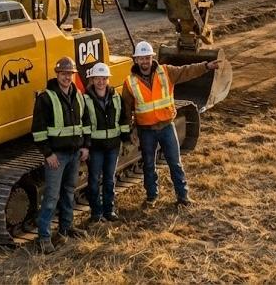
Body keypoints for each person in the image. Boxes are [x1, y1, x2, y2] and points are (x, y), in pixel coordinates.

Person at [121, 41, 220, 208]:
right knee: (149, 165)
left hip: (167, 127)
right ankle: (152, 196)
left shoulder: (166, 72)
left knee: (175, 162)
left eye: (147, 58)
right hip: (146, 131)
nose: (145, 61)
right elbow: (126, 108)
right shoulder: (129, 82)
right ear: (136, 60)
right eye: (141, 59)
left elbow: (187, 71)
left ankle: (183, 196)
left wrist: (206, 66)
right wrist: (129, 130)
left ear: (151, 58)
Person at [31, 56, 90, 254]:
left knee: (69, 192)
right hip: (57, 156)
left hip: (74, 154)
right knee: (51, 197)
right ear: (57, 74)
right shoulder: (46, 98)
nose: (67, 77)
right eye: (63, 74)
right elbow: (38, 130)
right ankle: (44, 237)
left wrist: (85, 146)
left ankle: (66, 227)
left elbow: (86, 123)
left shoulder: (79, 95)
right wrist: (48, 154)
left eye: (70, 74)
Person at [83, 62, 130, 223]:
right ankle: (96, 213)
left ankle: (109, 211)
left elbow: (123, 118)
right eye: (97, 78)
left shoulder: (116, 97)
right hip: (96, 147)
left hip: (112, 146)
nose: (101, 82)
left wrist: (126, 138)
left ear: (107, 80)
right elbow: (85, 124)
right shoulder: (86, 99)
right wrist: (86, 146)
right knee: (94, 181)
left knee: (109, 180)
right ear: (92, 79)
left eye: (104, 78)